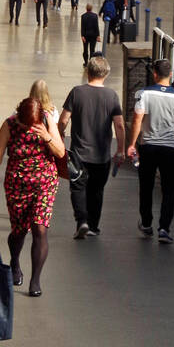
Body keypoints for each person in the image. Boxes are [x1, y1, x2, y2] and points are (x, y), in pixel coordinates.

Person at [0, 90, 65, 298]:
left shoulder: (47, 121)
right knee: (19, 231)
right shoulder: (9, 125)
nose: (29, 129)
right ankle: (14, 262)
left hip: (45, 183)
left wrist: (47, 137)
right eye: (26, 125)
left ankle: (35, 280)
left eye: (33, 125)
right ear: (19, 117)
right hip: (17, 185)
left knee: (40, 229)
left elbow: (61, 152)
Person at [59, 55, 125, 238]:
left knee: (78, 187)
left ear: (88, 71)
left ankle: (82, 220)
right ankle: (94, 226)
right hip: (102, 154)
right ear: (106, 74)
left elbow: (64, 120)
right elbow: (119, 125)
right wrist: (120, 149)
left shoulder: (77, 92)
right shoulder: (111, 96)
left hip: (79, 154)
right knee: (97, 190)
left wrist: (59, 136)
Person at [128, 59, 174, 243]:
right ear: (170, 75)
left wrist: (132, 144)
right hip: (170, 149)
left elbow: (137, 120)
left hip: (148, 147)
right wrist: (172, 122)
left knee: (146, 187)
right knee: (169, 189)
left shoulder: (144, 93)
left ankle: (147, 223)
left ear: (155, 74)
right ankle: (164, 228)